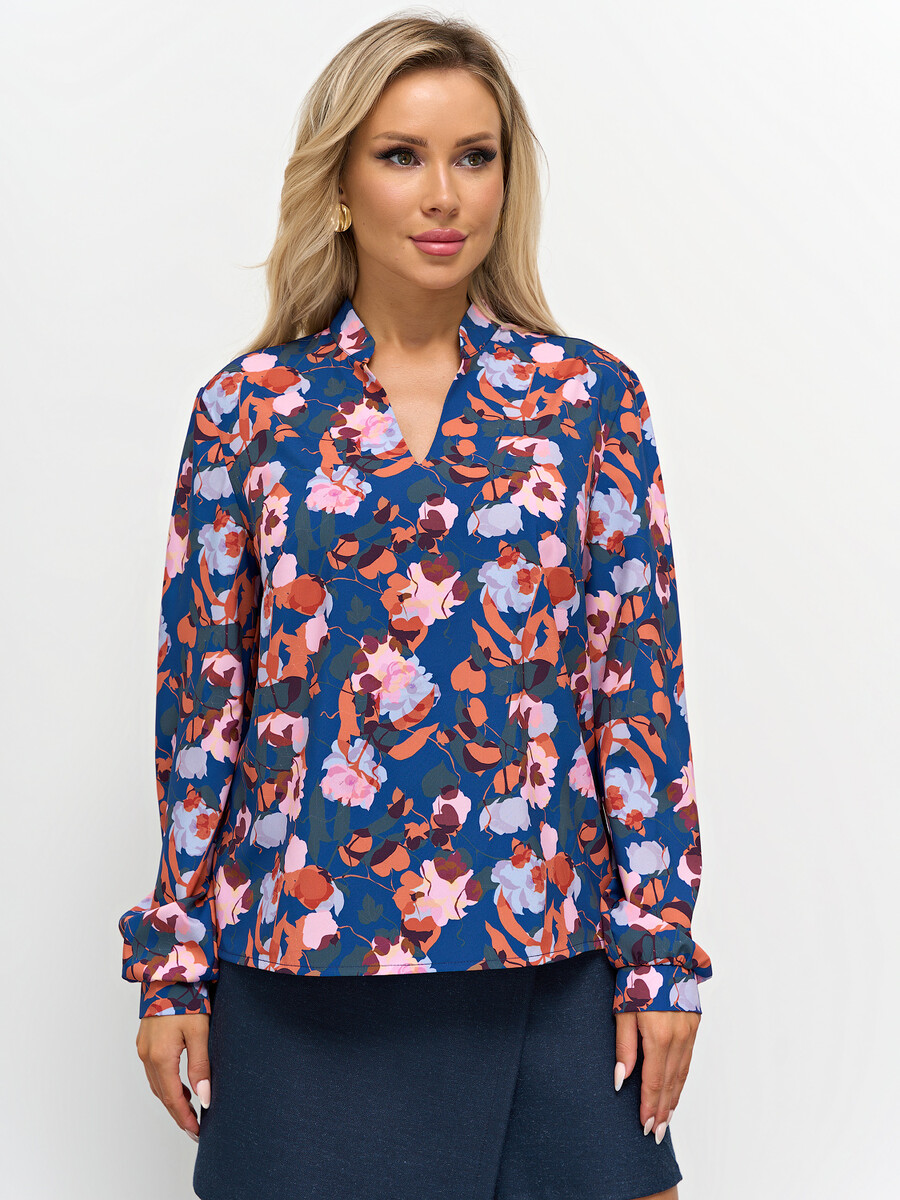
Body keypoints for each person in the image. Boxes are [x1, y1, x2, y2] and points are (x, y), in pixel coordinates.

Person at [117, 13, 713, 1200]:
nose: (444, 194)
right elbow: (203, 708)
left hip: (550, 947)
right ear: (339, 183)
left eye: (474, 157)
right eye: (402, 156)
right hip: (302, 961)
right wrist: (174, 960)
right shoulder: (250, 411)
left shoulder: (588, 400)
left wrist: (661, 951)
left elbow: (636, 687)